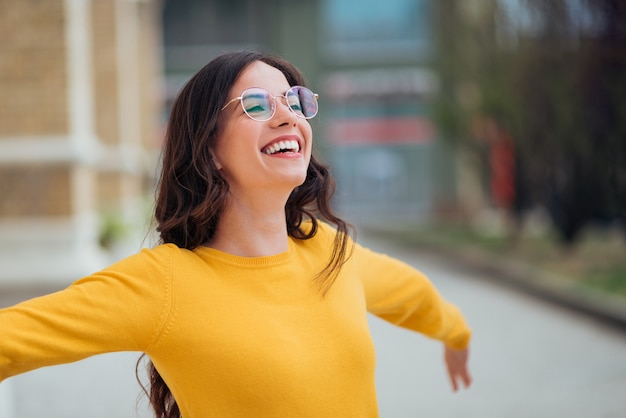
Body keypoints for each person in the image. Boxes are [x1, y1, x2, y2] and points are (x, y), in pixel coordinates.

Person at [0, 51, 472, 418]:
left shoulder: (328, 251)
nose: (288, 116)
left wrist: (454, 331)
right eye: (256, 105)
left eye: (294, 102)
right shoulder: (165, 284)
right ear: (209, 150)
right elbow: (14, 338)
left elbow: (410, 293)